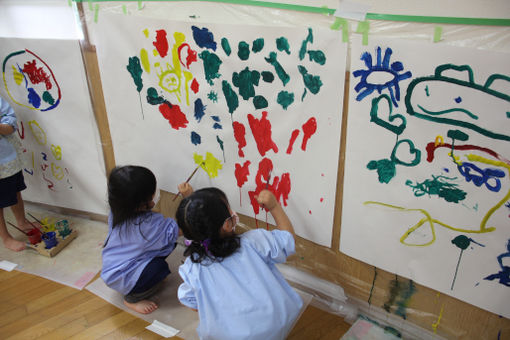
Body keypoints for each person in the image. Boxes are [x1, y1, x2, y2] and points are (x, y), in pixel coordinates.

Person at [176, 187, 303, 340]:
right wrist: (274, 207)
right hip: (276, 325)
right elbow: (287, 239)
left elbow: (190, 302)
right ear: (228, 224)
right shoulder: (255, 241)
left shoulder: (192, 268)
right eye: (228, 208)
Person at [101, 165, 192, 314]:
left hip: (113, 269)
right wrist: (189, 198)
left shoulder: (117, 210)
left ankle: (136, 284)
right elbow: (182, 228)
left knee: (164, 246)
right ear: (141, 202)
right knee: (160, 268)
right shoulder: (148, 226)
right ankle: (132, 298)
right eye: (151, 193)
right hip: (123, 275)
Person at [0, 96, 34, 252]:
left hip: (7, 158)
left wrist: (4, 126)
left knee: (15, 190)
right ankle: (6, 238)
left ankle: (22, 221)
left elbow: (10, 121)